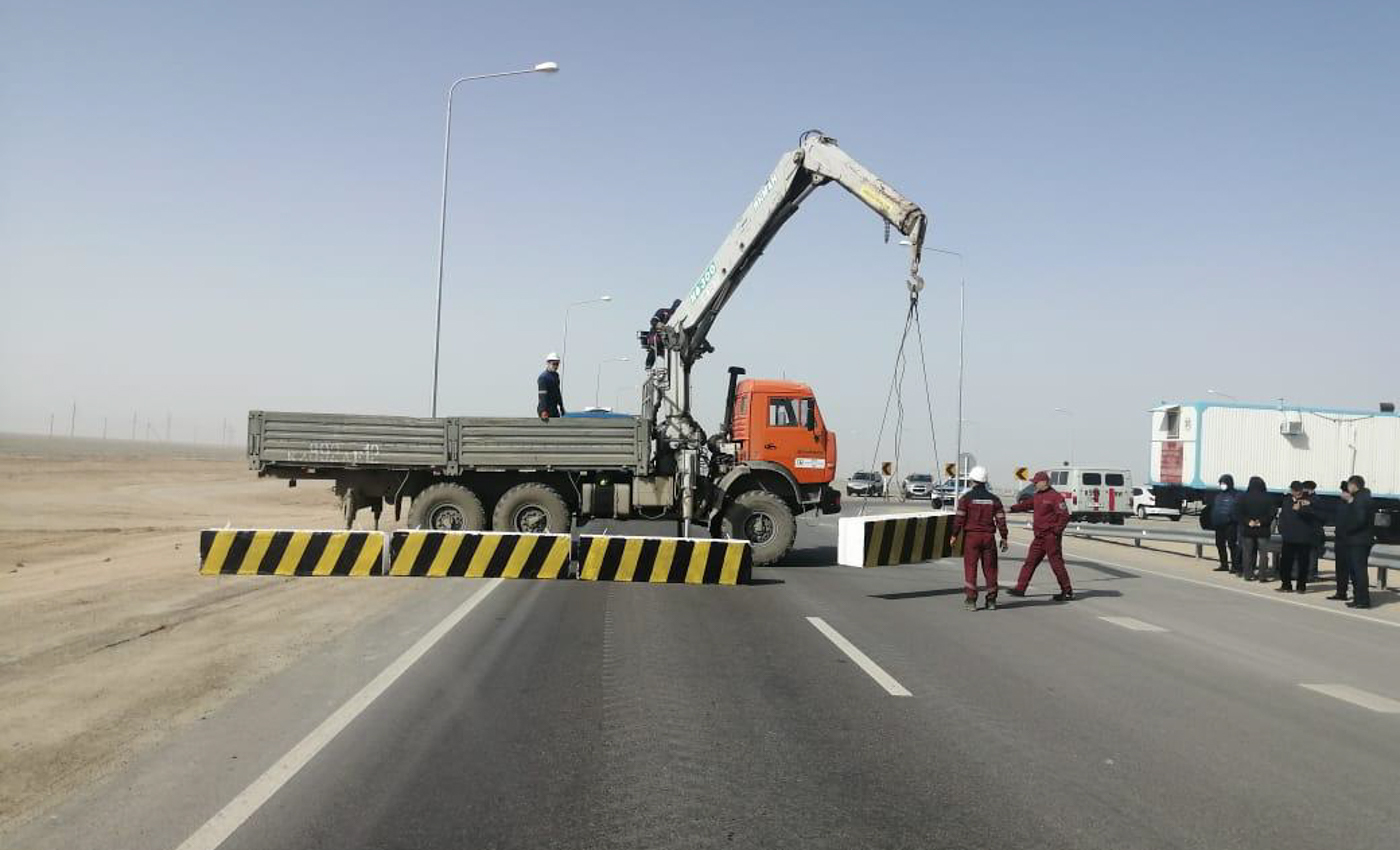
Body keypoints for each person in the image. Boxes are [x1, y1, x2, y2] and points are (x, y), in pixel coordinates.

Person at [1007, 471, 1074, 601]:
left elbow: (1064, 516)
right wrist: (1013, 508)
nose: (1035, 484)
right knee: (1029, 562)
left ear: (1044, 482)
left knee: (1056, 564)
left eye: (1036, 482)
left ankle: (1067, 590)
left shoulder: (1056, 497)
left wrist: (1056, 531)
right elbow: (1026, 504)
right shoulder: (1037, 496)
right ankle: (1020, 588)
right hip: (1039, 537)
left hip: (1050, 537)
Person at [951, 466, 1009, 612]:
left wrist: (954, 535)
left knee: (971, 568)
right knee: (991, 569)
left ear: (972, 481)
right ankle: (991, 600)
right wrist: (1004, 537)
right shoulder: (995, 499)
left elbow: (959, 518)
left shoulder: (966, 499)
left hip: (972, 537)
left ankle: (971, 600)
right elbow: (1001, 520)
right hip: (989, 538)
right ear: (985, 481)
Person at [1335, 475, 1374, 609]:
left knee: (1358, 571)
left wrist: (1347, 530)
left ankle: (1363, 600)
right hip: (1358, 540)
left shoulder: (1360, 499)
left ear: (1353, 485)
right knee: (1355, 571)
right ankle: (1358, 598)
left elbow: (1359, 519)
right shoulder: (1362, 497)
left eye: (1349, 485)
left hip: (1358, 540)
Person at [1276, 481, 1318, 593]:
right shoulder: (1287, 501)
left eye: (1299, 490)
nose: (1297, 492)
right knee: (1286, 562)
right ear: (1291, 490)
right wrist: (1282, 529)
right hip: (1289, 537)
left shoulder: (1309, 501)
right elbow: (1283, 516)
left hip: (1303, 537)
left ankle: (1301, 586)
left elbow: (1313, 515)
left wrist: (1301, 509)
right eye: (1295, 490)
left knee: (1303, 563)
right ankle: (1286, 584)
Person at [1235, 476, 1276, 581]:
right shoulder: (1268, 498)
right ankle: (1262, 575)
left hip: (1248, 529)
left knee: (1247, 553)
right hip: (1263, 529)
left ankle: (1248, 574)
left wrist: (1248, 521)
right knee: (1263, 554)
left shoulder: (1243, 497)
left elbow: (1238, 513)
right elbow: (1272, 513)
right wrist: (1261, 522)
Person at [1209, 474, 1243, 573]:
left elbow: (1238, 509)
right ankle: (1224, 564)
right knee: (1219, 544)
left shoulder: (1236, 494)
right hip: (1219, 524)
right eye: (1221, 483)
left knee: (1232, 545)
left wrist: (1233, 518)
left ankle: (1235, 566)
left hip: (1231, 524)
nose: (1222, 485)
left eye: (1224, 483)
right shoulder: (1219, 495)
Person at [1302, 480, 1323, 582]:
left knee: (1312, 554)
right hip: (1305, 531)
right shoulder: (1304, 499)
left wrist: (1309, 504)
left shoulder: (1316, 500)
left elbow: (1320, 515)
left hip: (1314, 532)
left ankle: (1311, 574)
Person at [536, 353, 566, 420]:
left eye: (557, 364)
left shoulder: (556, 376)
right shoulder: (543, 378)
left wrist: (561, 407)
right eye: (553, 364)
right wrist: (543, 411)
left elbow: (557, 393)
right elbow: (542, 396)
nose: (555, 366)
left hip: (554, 409)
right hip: (545, 410)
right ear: (548, 363)